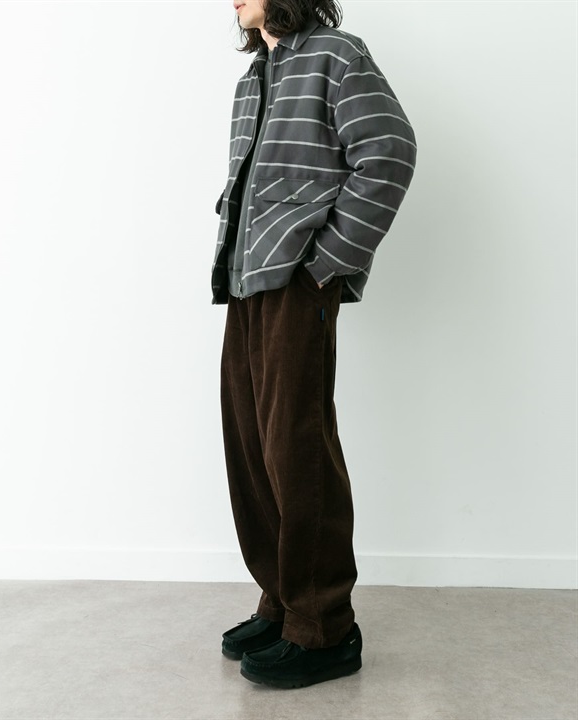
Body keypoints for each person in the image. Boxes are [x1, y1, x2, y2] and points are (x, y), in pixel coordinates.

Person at [212, 0, 417, 689]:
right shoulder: (253, 78)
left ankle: (324, 627)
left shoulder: (337, 54)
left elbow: (388, 154)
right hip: (246, 281)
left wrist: (326, 264)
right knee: (252, 447)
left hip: (298, 280)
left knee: (296, 447)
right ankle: (282, 604)